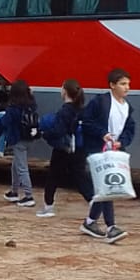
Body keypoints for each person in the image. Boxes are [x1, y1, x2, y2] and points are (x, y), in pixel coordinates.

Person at [78, 69, 136, 243]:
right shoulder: (100, 102)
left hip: (114, 151)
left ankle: (90, 222)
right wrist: (102, 133)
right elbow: (86, 121)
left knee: (103, 189)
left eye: (128, 84)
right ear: (112, 85)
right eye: (123, 84)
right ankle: (111, 227)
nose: (127, 88)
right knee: (107, 185)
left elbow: (130, 129)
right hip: (98, 150)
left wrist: (122, 142)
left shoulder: (127, 108)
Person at [36, 80, 86, 218]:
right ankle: (94, 201)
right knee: (81, 178)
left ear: (64, 91)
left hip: (63, 148)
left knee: (53, 176)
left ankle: (48, 207)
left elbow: (59, 130)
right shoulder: (81, 109)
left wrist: (44, 133)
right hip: (79, 149)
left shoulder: (65, 111)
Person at [0, 80, 40, 208]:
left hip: (18, 140)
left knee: (22, 168)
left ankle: (28, 196)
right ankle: (14, 191)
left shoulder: (13, 108)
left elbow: (4, 122)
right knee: (16, 166)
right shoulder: (31, 105)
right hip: (29, 138)